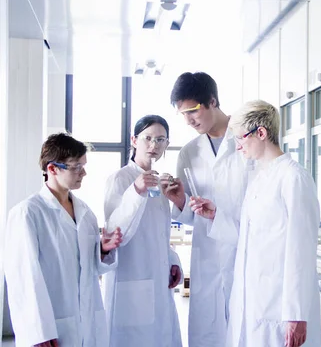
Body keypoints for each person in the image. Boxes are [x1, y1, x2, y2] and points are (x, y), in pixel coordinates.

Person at [190, 100, 321, 347]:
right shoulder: (259, 179)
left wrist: (295, 314)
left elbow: (301, 250)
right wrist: (215, 215)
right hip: (252, 303)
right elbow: (247, 238)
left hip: (279, 308)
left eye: (240, 139)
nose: (237, 147)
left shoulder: (293, 178)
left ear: (261, 133)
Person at [4, 133, 122, 347]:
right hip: (52, 327)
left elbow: (89, 269)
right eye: (76, 167)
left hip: (86, 320)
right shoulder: (28, 213)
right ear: (52, 169)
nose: (83, 173)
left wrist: (102, 251)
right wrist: (37, 332)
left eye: (83, 166)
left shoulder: (85, 213)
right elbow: (24, 278)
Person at [162, 72, 252, 347]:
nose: (188, 121)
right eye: (183, 115)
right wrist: (179, 200)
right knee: (209, 334)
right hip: (208, 256)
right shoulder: (189, 152)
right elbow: (191, 215)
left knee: (246, 331)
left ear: (212, 101)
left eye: (192, 111)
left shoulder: (248, 139)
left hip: (245, 249)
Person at [103, 115, 183, 347]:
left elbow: (159, 233)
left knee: (160, 337)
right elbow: (114, 232)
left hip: (158, 278)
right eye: (148, 138)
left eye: (160, 139)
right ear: (134, 140)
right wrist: (136, 192)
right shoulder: (119, 179)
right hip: (131, 276)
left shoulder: (159, 182)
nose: (154, 145)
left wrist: (172, 260)